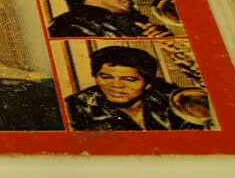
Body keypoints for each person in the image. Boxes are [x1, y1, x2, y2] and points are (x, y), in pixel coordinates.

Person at [66, 45, 194, 132]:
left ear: (148, 84)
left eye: (129, 79)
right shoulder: (75, 108)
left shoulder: (172, 99)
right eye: (106, 77)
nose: (116, 85)